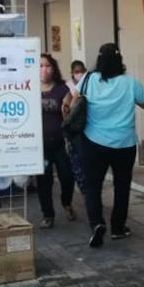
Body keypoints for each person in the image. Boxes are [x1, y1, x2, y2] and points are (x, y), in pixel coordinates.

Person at [73, 43, 144, 247]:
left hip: (93, 142)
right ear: (120, 60)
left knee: (93, 187)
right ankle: (118, 227)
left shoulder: (88, 79)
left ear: (99, 60)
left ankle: (96, 224)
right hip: (124, 144)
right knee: (122, 186)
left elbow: (73, 103)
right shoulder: (130, 83)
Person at [37, 55, 76, 228]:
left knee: (67, 177)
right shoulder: (27, 89)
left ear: (54, 68)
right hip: (40, 145)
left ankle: (66, 202)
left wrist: (67, 108)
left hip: (60, 143)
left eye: (47, 65)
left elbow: (69, 116)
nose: (44, 69)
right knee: (44, 181)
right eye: (40, 66)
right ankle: (48, 215)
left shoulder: (62, 90)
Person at [62, 60, 88, 194]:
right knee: (77, 161)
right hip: (74, 130)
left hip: (88, 128)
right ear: (72, 74)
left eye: (82, 71)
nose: (80, 74)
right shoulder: (69, 87)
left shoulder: (89, 84)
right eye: (77, 72)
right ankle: (84, 189)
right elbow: (66, 107)